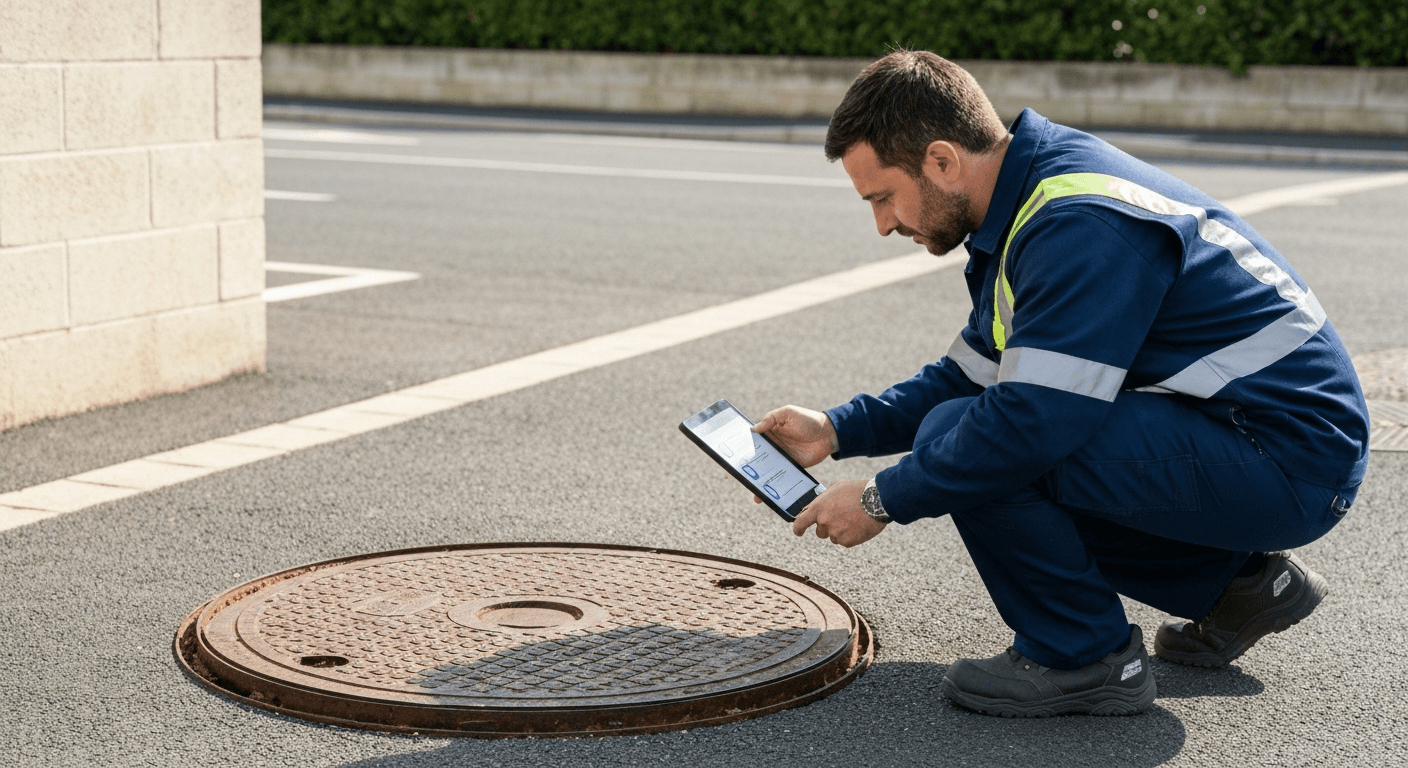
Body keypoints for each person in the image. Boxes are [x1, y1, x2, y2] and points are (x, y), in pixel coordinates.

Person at [752, 49, 1370, 718]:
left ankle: (1083, 656)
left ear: (941, 161)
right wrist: (835, 429)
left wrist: (880, 499)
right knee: (974, 431)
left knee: (980, 443)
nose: (882, 223)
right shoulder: (1028, 198)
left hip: (1289, 458)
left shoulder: (1075, 223)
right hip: (1257, 438)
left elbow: (1031, 421)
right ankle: (1236, 589)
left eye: (882, 196)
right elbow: (974, 374)